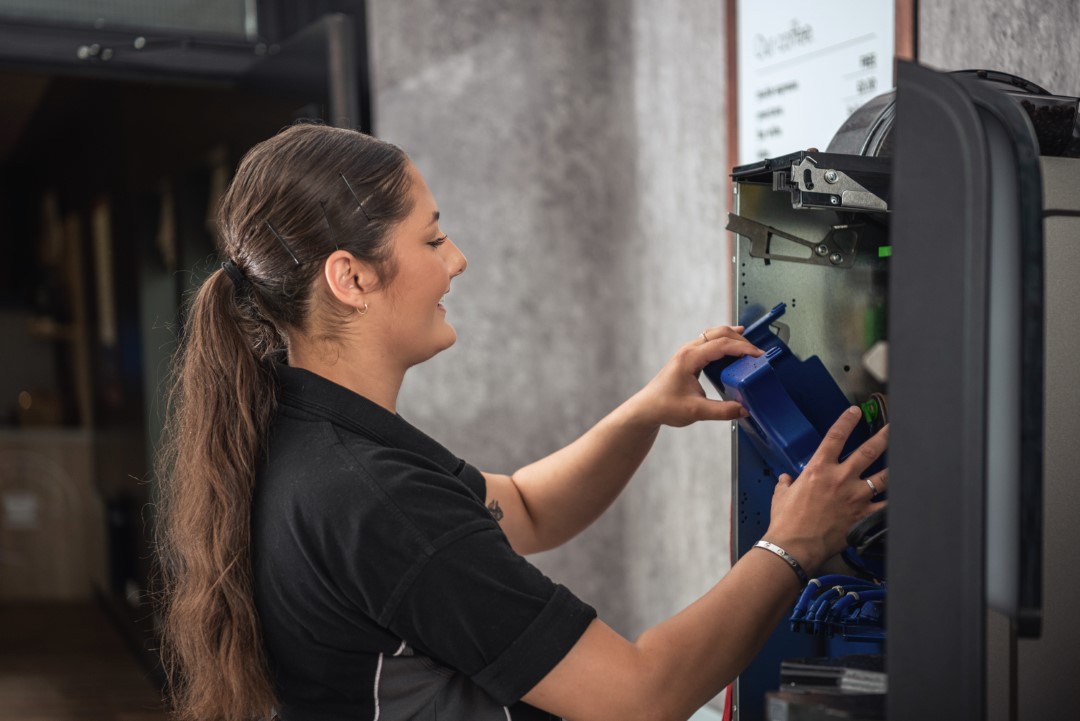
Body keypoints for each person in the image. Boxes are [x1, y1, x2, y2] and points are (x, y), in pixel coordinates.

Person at [156, 123, 888, 721]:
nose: (458, 260)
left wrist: (644, 411)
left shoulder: (309, 438)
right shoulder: (373, 497)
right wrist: (790, 545)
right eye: (433, 239)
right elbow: (638, 695)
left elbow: (530, 506)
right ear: (351, 278)